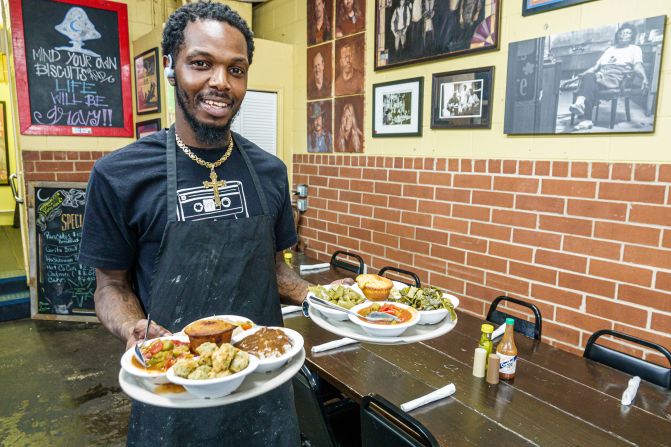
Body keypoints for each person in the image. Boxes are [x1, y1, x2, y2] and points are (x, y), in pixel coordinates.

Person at [79, 2, 314, 445]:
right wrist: (133, 327)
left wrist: (330, 302)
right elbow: (110, 287)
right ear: (171, 68)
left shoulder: (270, 171)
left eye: (236, 69)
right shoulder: (119, 175)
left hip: (261, 385)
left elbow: (276, 269)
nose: (220, 83)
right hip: (173, 390)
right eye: (201, 64)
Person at [569, 23, 649, 130]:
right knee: (589, 81)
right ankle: (586, 119)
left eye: (627, 33)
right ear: (617, 35)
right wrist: (580, 76)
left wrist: (644, 78)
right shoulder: (610, 49)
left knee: (589, 81)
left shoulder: (635, 49)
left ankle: (581, 106)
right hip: (602, 74)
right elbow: (596, 67)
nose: (623, 35)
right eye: (621, 33)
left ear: (632, 37)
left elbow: (638, 66)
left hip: (617, 75)